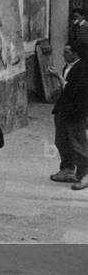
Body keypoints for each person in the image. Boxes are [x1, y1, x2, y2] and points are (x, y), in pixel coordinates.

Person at [49, 43, 88, 187]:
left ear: (75, 53)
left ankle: (83, 174)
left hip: (76, 112)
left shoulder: (82, 69)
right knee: (62, 141)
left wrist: (58, 77)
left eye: (66, 52)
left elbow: (74, 91)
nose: (63, 55)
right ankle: (67, 169)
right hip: (63, 109)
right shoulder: (68, 67)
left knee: (78, 144)